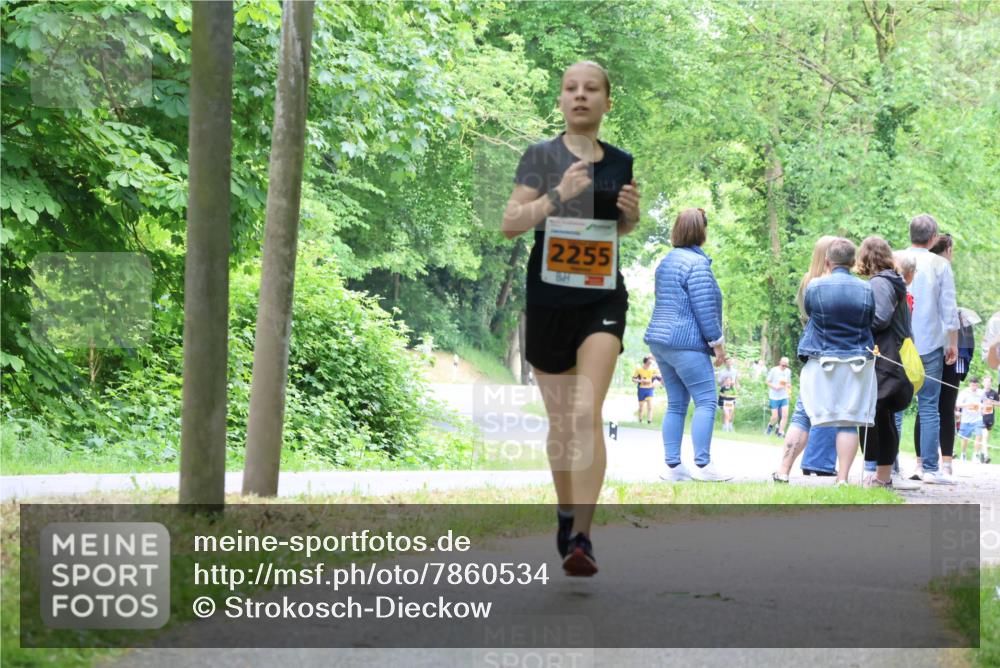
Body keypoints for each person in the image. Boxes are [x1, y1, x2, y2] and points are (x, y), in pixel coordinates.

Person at [502, 60, 641, 576]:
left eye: (591, 89)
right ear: (560, 100)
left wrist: (629, 217)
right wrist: (557, 194)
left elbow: (616, 230)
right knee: (562, 424)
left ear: (607, 102)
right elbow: (510, 224)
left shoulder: (621, 161)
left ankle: (582, 535)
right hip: (548, 300)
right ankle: (564, 515)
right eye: (570, 88)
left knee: (586, 412)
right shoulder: (541, 156)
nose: (580, 96)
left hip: (602, 298)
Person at [644, 207, 731, 483]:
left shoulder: (667, 262)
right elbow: (704, 309)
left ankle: (673, 467)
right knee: (706, 401)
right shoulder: (697, 265)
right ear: (700, 231)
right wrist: (718, 345)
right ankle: (704, 466)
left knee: (676, 404)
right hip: (686, 343)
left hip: (661, 342)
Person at [796, 238, 875, 485]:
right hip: (856, 359)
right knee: (848, 419)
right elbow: (869, 318)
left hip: (822, 357)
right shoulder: (866, 289)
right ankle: (842, 478)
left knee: (805, 414)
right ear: (853, 262)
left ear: (828, 261)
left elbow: (811, 315)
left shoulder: (815, 287)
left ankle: (784, 470)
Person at [899, 215, 959, 485]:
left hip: (898, 344)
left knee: (893, 406)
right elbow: (949, 308)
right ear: (934, 237)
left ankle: (888, 465)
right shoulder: (940, 264)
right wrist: (953, 343)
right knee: (929, 407)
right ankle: (931, 469)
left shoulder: (895, 257)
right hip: (930, 342)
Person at [772, 235, 836, 483]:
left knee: (803, 412)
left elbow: (805, 314)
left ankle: (784, 469)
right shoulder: (836, 284)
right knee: (838, 412)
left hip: (813, 351)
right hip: (836, 351)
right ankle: (835, 472)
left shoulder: (807, 282)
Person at [855, 236, 917, 489]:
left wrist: (857, 328)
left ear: (867, 257)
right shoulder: (892, 280)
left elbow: (880, 319)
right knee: (884, 416)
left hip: (886, 358)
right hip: (894, 356)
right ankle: (883, 475)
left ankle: (881, 476)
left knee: (879, 414)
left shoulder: (880, 282)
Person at [912, 234, 967, 476]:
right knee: (939, 406)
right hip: (941, 347)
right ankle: (939, 464)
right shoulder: (942, 269)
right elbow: (949, 311)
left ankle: (921, 462)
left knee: (925, 405)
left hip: (919, 344)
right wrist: (956, 349)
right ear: (949, 250)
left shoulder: (915, 269)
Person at [956, 377, 984, 461]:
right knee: (965, 438)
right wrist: (968, 404)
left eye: (976, 385)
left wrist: (982, 406)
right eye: (973, 385)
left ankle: (975, 455)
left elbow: (986, 402)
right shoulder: (964, 392)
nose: (974, 387)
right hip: (966, 418)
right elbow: (958, 404)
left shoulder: (981, 392)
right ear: (969, 384)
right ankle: (963, 454)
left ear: (978, 385)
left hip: (978, 418)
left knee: (979, 436)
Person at [765, 357, 792, 437]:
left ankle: (780, 432)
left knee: (785, 415)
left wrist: (789, 392)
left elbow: (788, 383)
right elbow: (767, 381)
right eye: (783, 364)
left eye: (786, 365)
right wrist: (774, 387)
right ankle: (770, 426)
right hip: (774, 396)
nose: (784, 366)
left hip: (784, 396)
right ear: (780, 362)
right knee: (775, 417)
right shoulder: (774, 370)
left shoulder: (788, 371)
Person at [632, 355, 660, 424]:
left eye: (650, 363)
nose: (649, 364)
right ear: (645, 363)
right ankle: (640, 420)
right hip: (641, 389)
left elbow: (659, 376)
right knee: (641, 407)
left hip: (649, 389)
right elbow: (633, 379)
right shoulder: (639, 369)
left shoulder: (653, 369)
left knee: (650, 406)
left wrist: (655, 379)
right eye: (648, 363)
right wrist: (640, 381)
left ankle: (649, 421)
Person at [717, 356, 739, 432]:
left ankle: (730, 425)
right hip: (724, 392)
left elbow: (737, 381)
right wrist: (724, 382)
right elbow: (719, 383)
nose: (729, 363)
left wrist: (737, 387)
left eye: (730, 362)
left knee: (732, 410)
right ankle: (724, 425)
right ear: (725, 363)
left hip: (732, 392)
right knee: (724, 410)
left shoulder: (735, 371)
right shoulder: (722, 371)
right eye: (727, 362)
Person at [978, 375, 997, 463]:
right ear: (983, 383)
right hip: (980, 417)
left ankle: (982, 455)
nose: (987, 383)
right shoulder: (979, 392)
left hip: (990, 418)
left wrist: (992, 402)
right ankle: (985, 455)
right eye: (986, 382)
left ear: (991, 383)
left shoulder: (994, 393)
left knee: (985, 437)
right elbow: (975, 404)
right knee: (984, 437)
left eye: (989, 382)